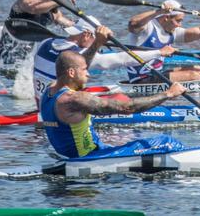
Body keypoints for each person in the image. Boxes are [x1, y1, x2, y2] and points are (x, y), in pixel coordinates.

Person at [40, 50, 187, 159]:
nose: (88, 74)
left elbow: (75, 70)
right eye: (84, 70)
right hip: (90, 157)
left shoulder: (49, 91)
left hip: (66, 155)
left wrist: (97, 42)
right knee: (166, 142)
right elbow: (127, 108)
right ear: (71, 72)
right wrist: (168, 94)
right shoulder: (74, 99)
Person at [33, 18, 175, 105]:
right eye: (95, 38)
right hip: (60, 107)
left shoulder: (46, 42)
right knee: (120, 98)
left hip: (43, 103)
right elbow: (123, 59)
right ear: (87, 34)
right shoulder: (76, 57)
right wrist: (159, 52)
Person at [126, 0, 200, 83]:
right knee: (194, 75)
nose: (180, 25)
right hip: (141, 80)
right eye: (178, 21)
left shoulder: (173, 31)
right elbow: (133, 23)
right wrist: (158, 12)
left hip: (156, 75)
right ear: (166, 17)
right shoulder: (146, 28)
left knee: (197, 69)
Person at [0, 0, 76, 66]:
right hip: (4, 55)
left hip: (24, 61)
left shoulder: (54, 14)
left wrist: (85, 27)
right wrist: (59, 0)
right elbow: (33, 8)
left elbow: (69, 25)